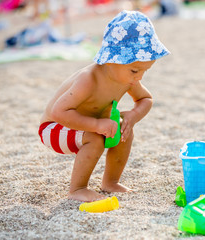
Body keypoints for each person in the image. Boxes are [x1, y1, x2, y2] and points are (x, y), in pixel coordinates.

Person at [38, 10, 170, 202]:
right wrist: (97, 125)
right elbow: (58, 112)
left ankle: (110, 182)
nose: (139, 77)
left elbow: (146, 99)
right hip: (54, 128)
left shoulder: (127, 79)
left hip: (87, 126)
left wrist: (132, 116)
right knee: (95, 138)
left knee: (125, 131)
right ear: (111, 60)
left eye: (145, 71)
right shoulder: (89, 79)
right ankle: (77, 189)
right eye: (135, 70)